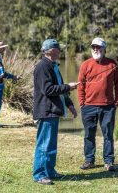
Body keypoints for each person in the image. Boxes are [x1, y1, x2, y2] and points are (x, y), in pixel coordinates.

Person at [32, 38, 78, 185]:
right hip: (46, 111)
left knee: (51, 144)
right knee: (44, 144)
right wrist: (68, 86)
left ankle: (50, 171)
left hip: (54, 111)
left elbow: (60, 88)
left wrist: (70, 104)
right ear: (52, 50)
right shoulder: (42, 67)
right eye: (58, 48)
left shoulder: (54, 66)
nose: (60, 50)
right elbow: (48, 89)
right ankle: (40, 175)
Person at [77, 37, 118, 171]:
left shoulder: (112, 64)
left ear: (104, 49)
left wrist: (116, 103)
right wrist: (82, 103)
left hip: (108, 107)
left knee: (108, 135)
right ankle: (89, 160)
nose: (96, 49)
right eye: (93, 47)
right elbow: (80, 86)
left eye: (98, 47)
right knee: (89, 134)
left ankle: (109, 162)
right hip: (88, 106)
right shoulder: (85, 64)